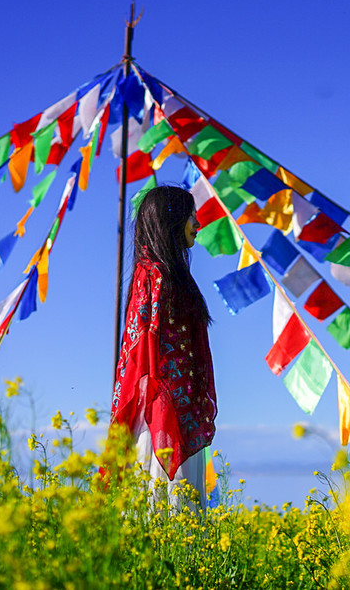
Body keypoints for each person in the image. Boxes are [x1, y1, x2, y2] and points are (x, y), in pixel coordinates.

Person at [109, 185, 216, 508]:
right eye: (191, 217)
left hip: (182, 412)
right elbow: (142, 354)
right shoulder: (153, 275)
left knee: (182, 507)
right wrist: (163, 405)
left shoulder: (171, 276)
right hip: (158, 415)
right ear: (170, 221)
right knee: (163, 505)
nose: (197, 224)